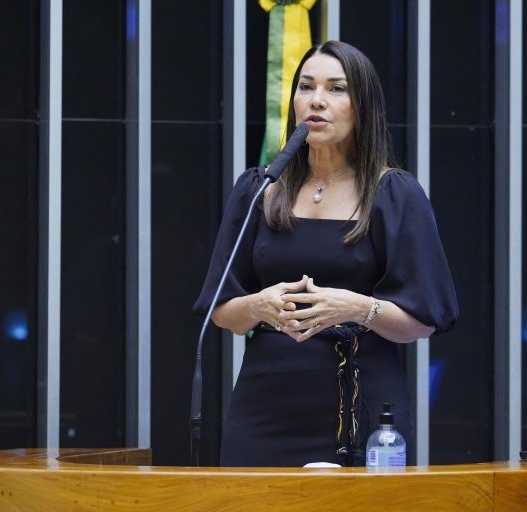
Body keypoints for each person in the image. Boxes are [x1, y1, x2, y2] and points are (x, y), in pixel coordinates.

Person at [193, 40, 458, 467]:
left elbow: (423, 323)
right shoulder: (259, 190)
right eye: (306, 86)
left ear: (362, 106)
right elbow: (222, 312)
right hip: (265, 408)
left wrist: (356, 307)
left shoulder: (395, 194)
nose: (316, 100)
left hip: (365, 404)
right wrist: (260, 305)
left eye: (337, 88)